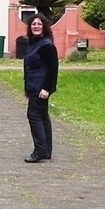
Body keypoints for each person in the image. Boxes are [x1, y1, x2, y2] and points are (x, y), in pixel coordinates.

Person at [22, 13, 59, 163]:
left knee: (34, 116)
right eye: (33, 24)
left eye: (39, 24)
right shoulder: (33, 42)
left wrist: (47, 88)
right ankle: (46, 150)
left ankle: (40, 151)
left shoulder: (46, 45)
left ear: (44, 26)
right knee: (43, 116)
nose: (36, 26)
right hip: (33, 86)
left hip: (40, 87)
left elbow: (53, 69)